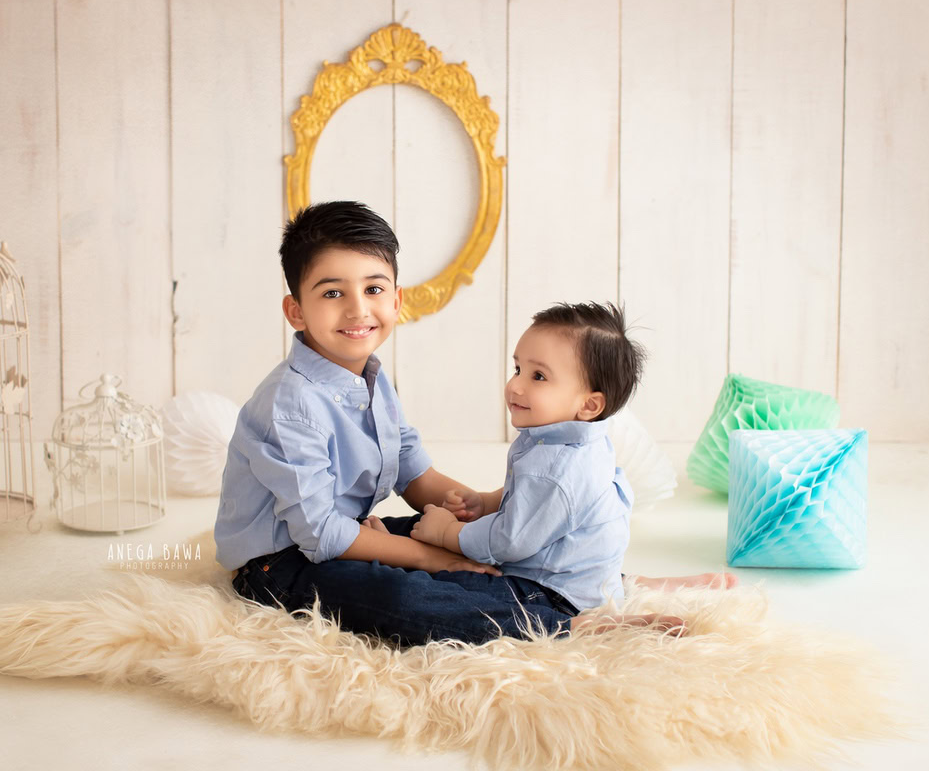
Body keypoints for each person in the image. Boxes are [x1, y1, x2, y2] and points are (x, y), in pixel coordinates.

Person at [214, 201, 721, 647]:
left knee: (468, 537)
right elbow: (321, 535)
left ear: (396, 300)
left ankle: (601, 582)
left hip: (346, 535)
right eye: (331, 294)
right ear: (295, 310)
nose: (357, 309)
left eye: (373, 288)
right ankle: (563, 625)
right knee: (399, 595)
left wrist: (469, 522)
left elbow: (413, 474)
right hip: (281, 563)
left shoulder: (368, 377)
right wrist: (443, 559)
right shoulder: (291, 403)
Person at [407, 302, 734, 623]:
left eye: (538, 376)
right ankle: (628, 586)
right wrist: (487, 502)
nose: (515, 385)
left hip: (554, 594)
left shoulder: (556, 468)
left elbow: (509, 541)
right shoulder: (571, 440)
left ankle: (602, 622)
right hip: (585, 575)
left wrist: (449, 533)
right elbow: (527, 499)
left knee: (445, 589)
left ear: (589, 404)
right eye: (518, 369)